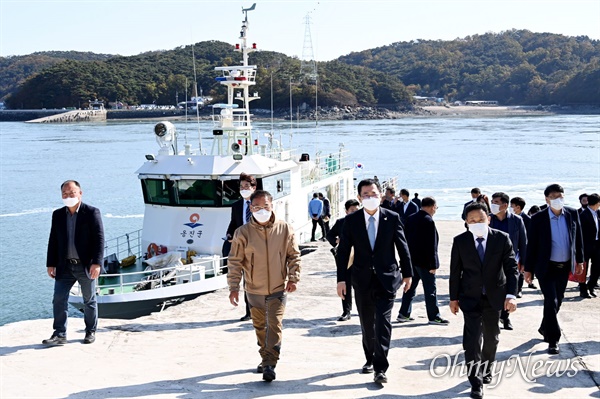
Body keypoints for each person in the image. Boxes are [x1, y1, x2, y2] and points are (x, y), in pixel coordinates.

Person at [335, 178, 413, 384]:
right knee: (367, 324)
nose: (370, 198)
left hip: (387, 279)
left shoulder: (392, 217)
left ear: (381, 196)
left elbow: (403, 247)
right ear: (360, 197)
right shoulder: (351, 221)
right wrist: (341, 279)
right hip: (361, 280)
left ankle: (381, 367)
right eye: (366, 195)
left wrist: (408, 274)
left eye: (374, 194)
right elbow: (343, 252)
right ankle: (369, 358)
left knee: (383, 323)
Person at [228, 190, 301, 382]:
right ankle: (265, 357)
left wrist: (293, 277)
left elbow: (293, 255)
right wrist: (233, 287)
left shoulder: (285, 229)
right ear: (251, 208)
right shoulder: (242, 233)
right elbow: (235, 262)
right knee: (260, 327)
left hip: (278, 288)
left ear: (272, 205)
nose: (262, 210)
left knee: (274, 325)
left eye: (265, 206)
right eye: (257, 207)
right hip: (253, 289)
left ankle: (270, 364)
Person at [449, 202, 519, 399]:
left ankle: (487, 368)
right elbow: (455, 272)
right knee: (471, 342)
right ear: (466, 223)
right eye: (472, 220)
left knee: (491, 337)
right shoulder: (460, 241)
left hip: (495, 297)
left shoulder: (501, 239)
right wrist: (453, 298)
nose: (477, 223)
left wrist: (511, 295)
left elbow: (511, 269)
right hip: (470, 298)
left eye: (480, 219)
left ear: (488, 218)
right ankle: (475, 381)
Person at [524, 184, 584, 354]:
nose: (558, 199)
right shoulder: (538, 218)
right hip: (546, 267)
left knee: (558, 300)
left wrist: (579, 260)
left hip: (564, 266)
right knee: (551, 300)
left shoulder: (572, 214)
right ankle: (553, 339)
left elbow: (577, 238)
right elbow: (532, 245)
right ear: (546, 199)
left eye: (560, 196)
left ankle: (545, 326)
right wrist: (528, 269)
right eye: (553, 197)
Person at [43, 180, 104, 346]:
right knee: (58, 298)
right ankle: (59, 334)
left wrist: (96, 263)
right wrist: (50, 264)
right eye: (65, 194)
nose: (68, 196)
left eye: (72, 193)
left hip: (85, 265)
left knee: (89, 300)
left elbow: (99, 239)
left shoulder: (91, 212)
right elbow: (53, 240)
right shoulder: (57, 215)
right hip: (64, 266)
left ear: (80, 193)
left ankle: (90, 331)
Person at [397, 197, 448, 325]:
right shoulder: (428, 221)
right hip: (425, 262)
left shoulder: (411, 218)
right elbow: (432, 245)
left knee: (410, 288)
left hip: (411, 260)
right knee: (430, 289)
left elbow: (404, 240)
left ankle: (403, 313)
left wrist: (404, 260)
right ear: (432, 206)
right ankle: (434, 316)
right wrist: (434, 264)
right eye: (436, 207)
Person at [489, 192, 527, 330]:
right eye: (492, 201)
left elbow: (523, 242)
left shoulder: (517, 220)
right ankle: (494, 317)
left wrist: (524, 261)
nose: (493, 205)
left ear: (505, 205)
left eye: (496, 202)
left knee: (508, 289)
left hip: (510, 260)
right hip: (491, 261)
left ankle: (505, 318)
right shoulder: (489, 219)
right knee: (493, 289)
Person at [225, 172, 256, 321]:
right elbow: (234, 223)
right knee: (246, 281)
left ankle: (262, 309)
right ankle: (249, 312)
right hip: (243, 247)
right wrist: (230, 234)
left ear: (253, 188)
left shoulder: (260, 204)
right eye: (241, 186)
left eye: (246, 186)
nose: (243, 189)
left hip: (259, 248)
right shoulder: (236, 205)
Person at [326, 199, 360, 321]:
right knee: (345, 284)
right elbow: (329, 235)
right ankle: (346, 311)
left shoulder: (363, 221)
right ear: (346, 211)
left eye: (356, 210)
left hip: (360, 258)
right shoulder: (341, 222)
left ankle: (363, 309)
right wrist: (337, 241)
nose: (355, 212)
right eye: (352, 210)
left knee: (361, 285)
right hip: (345, 258)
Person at [510, 196, 538, 291]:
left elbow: (530, 236)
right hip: (513, 248)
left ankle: (519, 289)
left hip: (524, 247)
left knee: (522, 268)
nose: (510, 208)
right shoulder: (510, 218)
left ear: (518, 207)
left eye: (512, 206)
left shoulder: (528, 219)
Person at [580, 193, 600, 297]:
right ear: (596, 203)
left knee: (597, 267)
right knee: (584, 269)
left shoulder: (598, 213)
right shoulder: (584, 215)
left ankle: (591, 286)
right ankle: (583, 289)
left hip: (597, 244)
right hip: (586, 245)